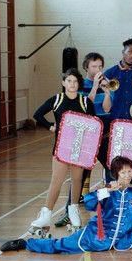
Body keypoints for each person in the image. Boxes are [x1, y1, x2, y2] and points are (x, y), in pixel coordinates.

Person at [1, 156, 132, 254]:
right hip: (95, 237)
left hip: (123, 237)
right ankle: (26, 244)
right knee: (60, 246)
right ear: (116, 174)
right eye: (123, 172)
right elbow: (88, 203)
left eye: (130, 172)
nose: (127, 175)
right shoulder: (106, 192)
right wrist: (107, 191)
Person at [28, 69, 97, 235]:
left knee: (77, 180)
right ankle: (46, 215)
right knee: (56, 182)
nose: (72, 84)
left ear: (79, 84)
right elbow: (38, 114)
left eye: (75, 81)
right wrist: (50, 126)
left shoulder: (85, 102)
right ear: (63, 83)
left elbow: (94, 124)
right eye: (69, 81)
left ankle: (73, 212)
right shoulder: (57, 99)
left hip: (79, 149)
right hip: (61, 149)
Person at [55, 52, 114, 228]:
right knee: (79, 177)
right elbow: (84, 106)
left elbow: (107, 109)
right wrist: (95, 86)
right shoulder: (78, 85)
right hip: (86, 139)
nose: (98, 69)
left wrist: (107, 93)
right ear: (86, 67)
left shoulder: (106, 83)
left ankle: (111, 210)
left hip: (104, 135)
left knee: (111, 170)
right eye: (94, 66)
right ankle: (69, 212)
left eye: (100, 66)